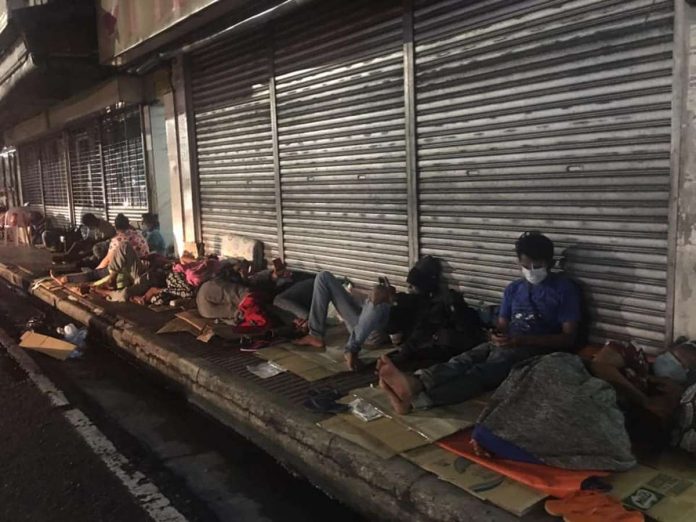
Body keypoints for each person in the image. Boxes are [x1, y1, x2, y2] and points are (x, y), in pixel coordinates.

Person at [377, 231, 581, 413]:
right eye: (526, 266)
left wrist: (521, 341)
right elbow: (502, 324)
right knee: (463, 360)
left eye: (538, 266)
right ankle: (417, 382)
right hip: (510, 343)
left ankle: (417, 402)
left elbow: (568, 338)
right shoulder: (514, 289)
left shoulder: (564, 290)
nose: (532, 270)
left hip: (537, 351)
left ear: (551, 263)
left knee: (481, 373)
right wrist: (497, 334)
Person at [293, 271, 395, 371]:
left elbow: (375, 309)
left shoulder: (390, 303)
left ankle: (316, 334)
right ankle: (315, 334)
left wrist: (352, 349)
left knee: (378, 296)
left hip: (369, 333)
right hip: (364, 315)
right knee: (323, 277)